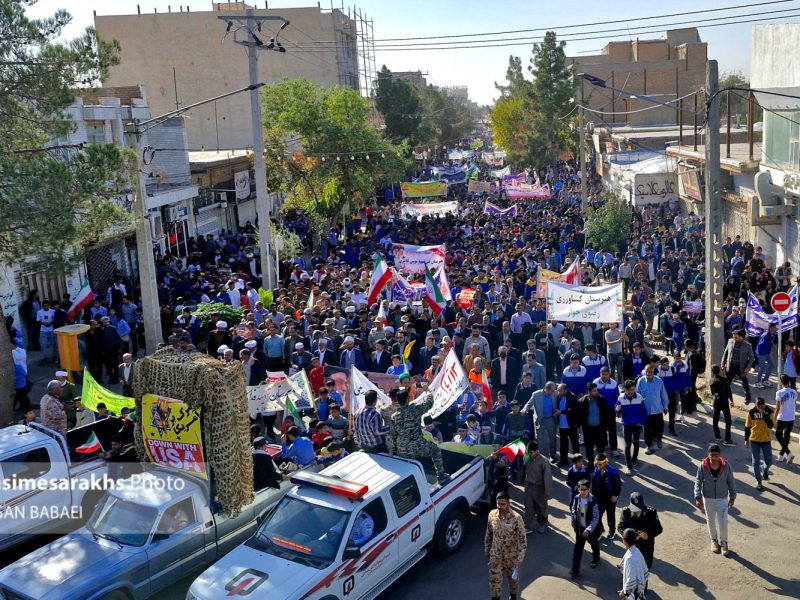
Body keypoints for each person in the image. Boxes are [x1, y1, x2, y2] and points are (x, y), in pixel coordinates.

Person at [386, 390, 448, 482]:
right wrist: (427, 391)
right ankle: (441, 476)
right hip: (417, 446)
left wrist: (392, 451)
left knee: (409, 464)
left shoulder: (394, 416)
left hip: (402, 449)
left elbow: (392, 435)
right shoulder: (415, 409)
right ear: (407, 400)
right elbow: (429, 403)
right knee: (435, 450)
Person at [694, 444, 736, 556]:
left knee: (723, 522)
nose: (714, 458)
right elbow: (698, 481)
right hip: (708, 499)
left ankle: (724, 543)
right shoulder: (702, 466)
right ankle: (714, 541)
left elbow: (731, 481)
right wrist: (698, 497)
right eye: (712, 455)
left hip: (722, 499)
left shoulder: (726, 466)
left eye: (716, 455)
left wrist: (732, 497)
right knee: (710, 521)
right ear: (708, 455)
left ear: (720, 455)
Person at [484, 491, 526, 600]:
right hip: (496, 555)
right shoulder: (492, 515)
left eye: (502, 504)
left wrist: (520, 559)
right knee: (494, 582)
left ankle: (513, 597)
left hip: (512, 557)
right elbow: (488, 533)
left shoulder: (517, 518)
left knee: (513, 581)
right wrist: (487, 550)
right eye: (498, 504)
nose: (499, 506)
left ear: (508, 504)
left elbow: (523, 541)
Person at [617, 492, 663, 570]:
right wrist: (629, 536)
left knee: (645, 568)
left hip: (647, 546)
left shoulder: (651, 512)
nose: (637, 510)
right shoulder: (626, 512)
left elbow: (659, 529)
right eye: (635, 508)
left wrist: (648, 535)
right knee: (631, 567)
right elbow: (620, 527)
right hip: (632, 546)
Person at [569, 479, 603, 578]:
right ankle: (575, 570)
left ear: (589, 489)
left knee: (594, 544)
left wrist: (588, 529)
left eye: (585, 489)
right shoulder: (576, 498)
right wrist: (573, 519)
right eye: (581, 489)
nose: (583, 491)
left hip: (590, 531)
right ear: (578, 489)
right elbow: (574, 509)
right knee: (578, 550)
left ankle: (596, 559)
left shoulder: (593, 501)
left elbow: (596, 517)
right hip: (580, 529)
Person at [616, 380, 648, 475]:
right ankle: (629, 466)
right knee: (627, 445)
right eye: (630, 389)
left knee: (636, 442)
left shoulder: (639, 397)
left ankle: (635, 458)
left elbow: (644, 412)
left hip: (637, 425)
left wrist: (641, 422)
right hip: (626, 425)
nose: (633, 391)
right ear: (625, 390)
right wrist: (617, 410)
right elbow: (618, 413)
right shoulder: (621, 398)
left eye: (633, 389)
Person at [521, 441, 552, 534]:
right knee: (528, 507)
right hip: (529, 487)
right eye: (528, 452)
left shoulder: (544, 461)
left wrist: (547, 493)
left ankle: (543, 524)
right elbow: (523, 471)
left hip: (540, 489)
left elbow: (547, 479)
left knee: (541, 508)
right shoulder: (527, 459)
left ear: (536, 451)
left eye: (531, 452)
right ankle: (528, 526)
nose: (530, 454)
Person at [636, 364, 668, 454]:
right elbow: (638, 395)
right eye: (647, 371)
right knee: (646, 430)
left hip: (657, 409)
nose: (648, 373)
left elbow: (663, 394)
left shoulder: (659, 381)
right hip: (646, 410)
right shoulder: (640, 381)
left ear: (653, 371)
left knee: (659, 428)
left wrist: (665, 407)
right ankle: (649, 445)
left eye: (650, 371)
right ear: (644, 372)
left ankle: (659, 440)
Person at [744, 397, 774, 490]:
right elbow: (747, 427)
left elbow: (771, 425)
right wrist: (746, 439)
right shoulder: (751, 412)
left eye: (762, 406)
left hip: (766, 440)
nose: (760, 408)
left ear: (764, 405)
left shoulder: (769, 411)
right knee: (755, 462)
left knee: (769, 461)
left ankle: (765, 470)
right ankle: (758, 481)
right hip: (755, 440)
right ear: (756, 405)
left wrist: (764, 415)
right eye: (758, 406)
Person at [590, 453, 623, 541]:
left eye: (600, 464)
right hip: (599, 498)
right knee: (597, 515)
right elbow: (594, 483)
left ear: (605, 463)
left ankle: (612, 531)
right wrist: (592, 496)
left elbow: (618, 485)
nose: (599, 466)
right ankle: (600, 530)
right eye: (597, 464)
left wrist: (615, 495)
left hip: (610, 498)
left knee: (610, 515)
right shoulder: (596, 470)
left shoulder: (613, 472)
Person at [721, 329, 755, 404]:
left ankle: (747, 395)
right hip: (731, 366)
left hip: (741, 367)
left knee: (744, 382)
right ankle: (725, 395)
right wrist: (723, 363)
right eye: (733, 337)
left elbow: (752, 357)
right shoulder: (730, 341)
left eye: (736, 337)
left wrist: (748, 367)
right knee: (727, 382)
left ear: (741, 337)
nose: (734, 339)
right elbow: (726, 352)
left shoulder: (748, 346)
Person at [618, 528, 649, 600]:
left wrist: (624, 592)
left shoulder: (630, 558)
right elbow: (644, 570)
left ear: (624, 541)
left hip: (634, 591)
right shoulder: (636, 550)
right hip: (639, 586)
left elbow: (631, 579)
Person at [709, 364, 735, 446]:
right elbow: (728, 391)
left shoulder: (711, 381)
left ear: (712, 372)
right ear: (719, 371)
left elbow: (712, 393)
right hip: (724, 402)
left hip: (716, 402)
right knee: (728, 420)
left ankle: (717, 437)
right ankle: (727, 439)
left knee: (715, 420)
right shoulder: (724, 380)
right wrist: (731, 400)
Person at [775, 374, 797, 464]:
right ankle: (781, 456)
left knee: (778, 435)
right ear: (788, 382)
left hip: (782, 418)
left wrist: (774, 418)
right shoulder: (794, 392)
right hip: (791, 418)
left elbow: (777, 407)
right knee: (786, 437)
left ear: (781, 382)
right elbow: (794, 404)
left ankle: (788, 453)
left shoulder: (779, 392)